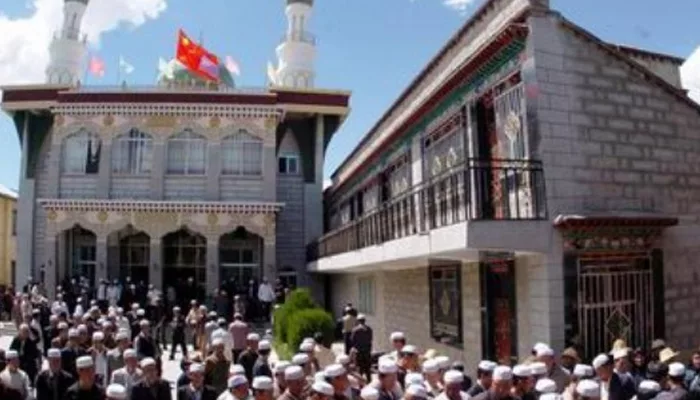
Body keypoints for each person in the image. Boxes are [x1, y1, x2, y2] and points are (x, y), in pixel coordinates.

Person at [350, 314, 373, 383]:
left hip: (359, 352)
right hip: (367, 351)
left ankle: (360, 383)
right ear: (364, 320)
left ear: (358, 321)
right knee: (368, 369)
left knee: (360, 369)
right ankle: (369, 382)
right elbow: (370, 339)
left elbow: (352, 340)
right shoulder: (369, 329)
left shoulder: (355, 330)